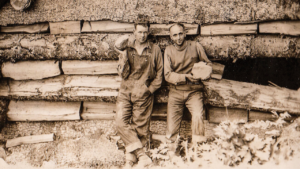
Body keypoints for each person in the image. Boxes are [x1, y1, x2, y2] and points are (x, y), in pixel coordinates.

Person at [114, 21, 163, 168]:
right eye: (140, 32)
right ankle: (142, 155)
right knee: (120, 122)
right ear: (134, 32)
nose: (142, 35)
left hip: (143, 94)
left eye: (145, 32)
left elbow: (160, 74)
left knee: (140, 127)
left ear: (148, 33)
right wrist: (122, 56)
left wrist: (149, 90)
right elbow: (122, 74)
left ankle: (130, 159)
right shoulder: (127, 48)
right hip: (125, 91)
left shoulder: (154, 49)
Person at [164, 23, 212, 152]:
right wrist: (185, 77)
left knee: (197, 117)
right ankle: (171, 154)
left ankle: (199, 150)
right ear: (171, 37)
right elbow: (168, 75)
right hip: (176, 92)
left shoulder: (195, 46)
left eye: (180, 33)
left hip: (194, 92)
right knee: (171, 125)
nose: (178, 37)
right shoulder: (168, 50)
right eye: (175, 35)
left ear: (185, 33)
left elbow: (208, 64)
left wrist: (202, 71)